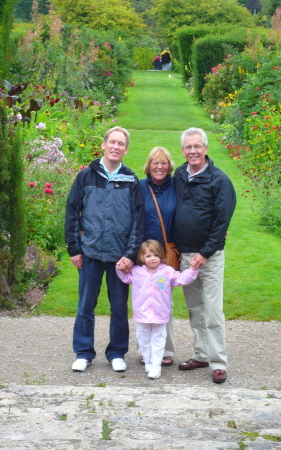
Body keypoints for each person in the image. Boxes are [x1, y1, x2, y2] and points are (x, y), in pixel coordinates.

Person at [65, 126, 144, 373]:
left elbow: (137, 222)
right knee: (85, 304)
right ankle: (84, 352)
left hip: (119, 257)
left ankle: (117, 352)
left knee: (119, 307)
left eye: (121, 144)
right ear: (104, 144)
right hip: (90, 253)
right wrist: (74, 249)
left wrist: (131, 255)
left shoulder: (131, 180)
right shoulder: (86, 176)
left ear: (126, 149)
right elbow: (72, 212)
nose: (116, 147)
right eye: (112, 142)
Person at [174, 127, 236, 384]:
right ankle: (200, 354)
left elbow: (222, 223)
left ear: (206, 149)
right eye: (188, 147)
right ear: (183, 150)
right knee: (195, 310)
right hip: (184, 256)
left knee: (212, 311)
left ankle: (218, 362)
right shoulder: (178, 175)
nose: (193, 151)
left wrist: (205, 253)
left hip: (208, 259)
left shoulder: (219, 181)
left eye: (197, 146)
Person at [116, 240, 198, 379]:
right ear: (142, 258)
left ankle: (156, 365)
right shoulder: (136, 272)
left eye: (155, 255)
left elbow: (181, 279)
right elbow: (125, 278)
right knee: (143, 338)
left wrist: (192, 270)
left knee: (159, 339)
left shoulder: (167, 271)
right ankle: (147, 361)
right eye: (148, 256)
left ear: (161, 256)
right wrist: (120, 268)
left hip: (160, 313)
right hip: (142, 312)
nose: (152, 259)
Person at [139, 147, 177, 366]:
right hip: (144, 256)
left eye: (163, 163)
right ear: (149, 166)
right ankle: (145, 350)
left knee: (163, 302)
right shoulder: (140, 187)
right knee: (144, 300)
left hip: (166, 255)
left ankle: (165, 349)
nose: (160, 167)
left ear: (169, 166)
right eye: (155, 163)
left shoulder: (176, 186)